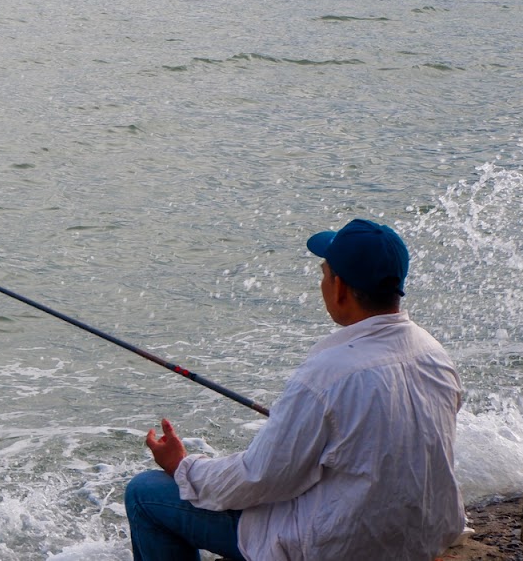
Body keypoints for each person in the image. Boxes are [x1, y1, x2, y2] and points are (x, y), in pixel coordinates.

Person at [123, 218, 464, 561]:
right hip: (421, 539)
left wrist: (183, 467)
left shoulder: (326, 375)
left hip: (342, 547)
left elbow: (259, 478)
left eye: (324, 273)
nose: (322, 284)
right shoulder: (435, 355)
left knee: (145, 493)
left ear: (340, 288)